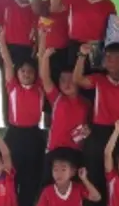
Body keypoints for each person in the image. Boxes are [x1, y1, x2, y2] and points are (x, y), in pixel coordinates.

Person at [74, 41, 119, 206]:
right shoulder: (99, 79)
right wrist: (82, 55)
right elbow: (78, 79)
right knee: (94, 173)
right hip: (99, 132)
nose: (111, 61)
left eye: (116, 58)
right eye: (108, 57)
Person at [0, 27, 45, 206]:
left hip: (34, 135)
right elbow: (7, 62)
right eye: (23, 71)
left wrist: (42, 36)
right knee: (11, 175)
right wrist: (1, 40)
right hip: (14, 135)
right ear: (17, 74)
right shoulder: (12, 87)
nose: (26, 74)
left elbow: (42, 59)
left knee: (31, 178)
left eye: (30, 71)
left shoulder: (39, 87)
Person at [38, 35, 91, 185]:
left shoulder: (87, 103)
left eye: (71, 80)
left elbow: (90, 126)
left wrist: (88, 130)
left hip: (75, 152)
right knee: (48, 188)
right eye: (63, 80)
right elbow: (45, 78)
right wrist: (45, 57)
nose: (67, 84)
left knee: (75, 189)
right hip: (54, 150)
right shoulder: (57, 98)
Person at [51, 0, 117, 69]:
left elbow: (112, 31)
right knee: (74, 77)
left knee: (94, 77)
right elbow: (54, 8)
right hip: (75, 46)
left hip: (97, 47)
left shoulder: (108, 4)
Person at [31, 0, 80, 88]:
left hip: (65, 53)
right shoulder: (49, 2)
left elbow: (55, 8)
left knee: (63, 87)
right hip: (43, 51)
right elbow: (36, 8)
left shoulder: (76, 5)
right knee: (45, 86)